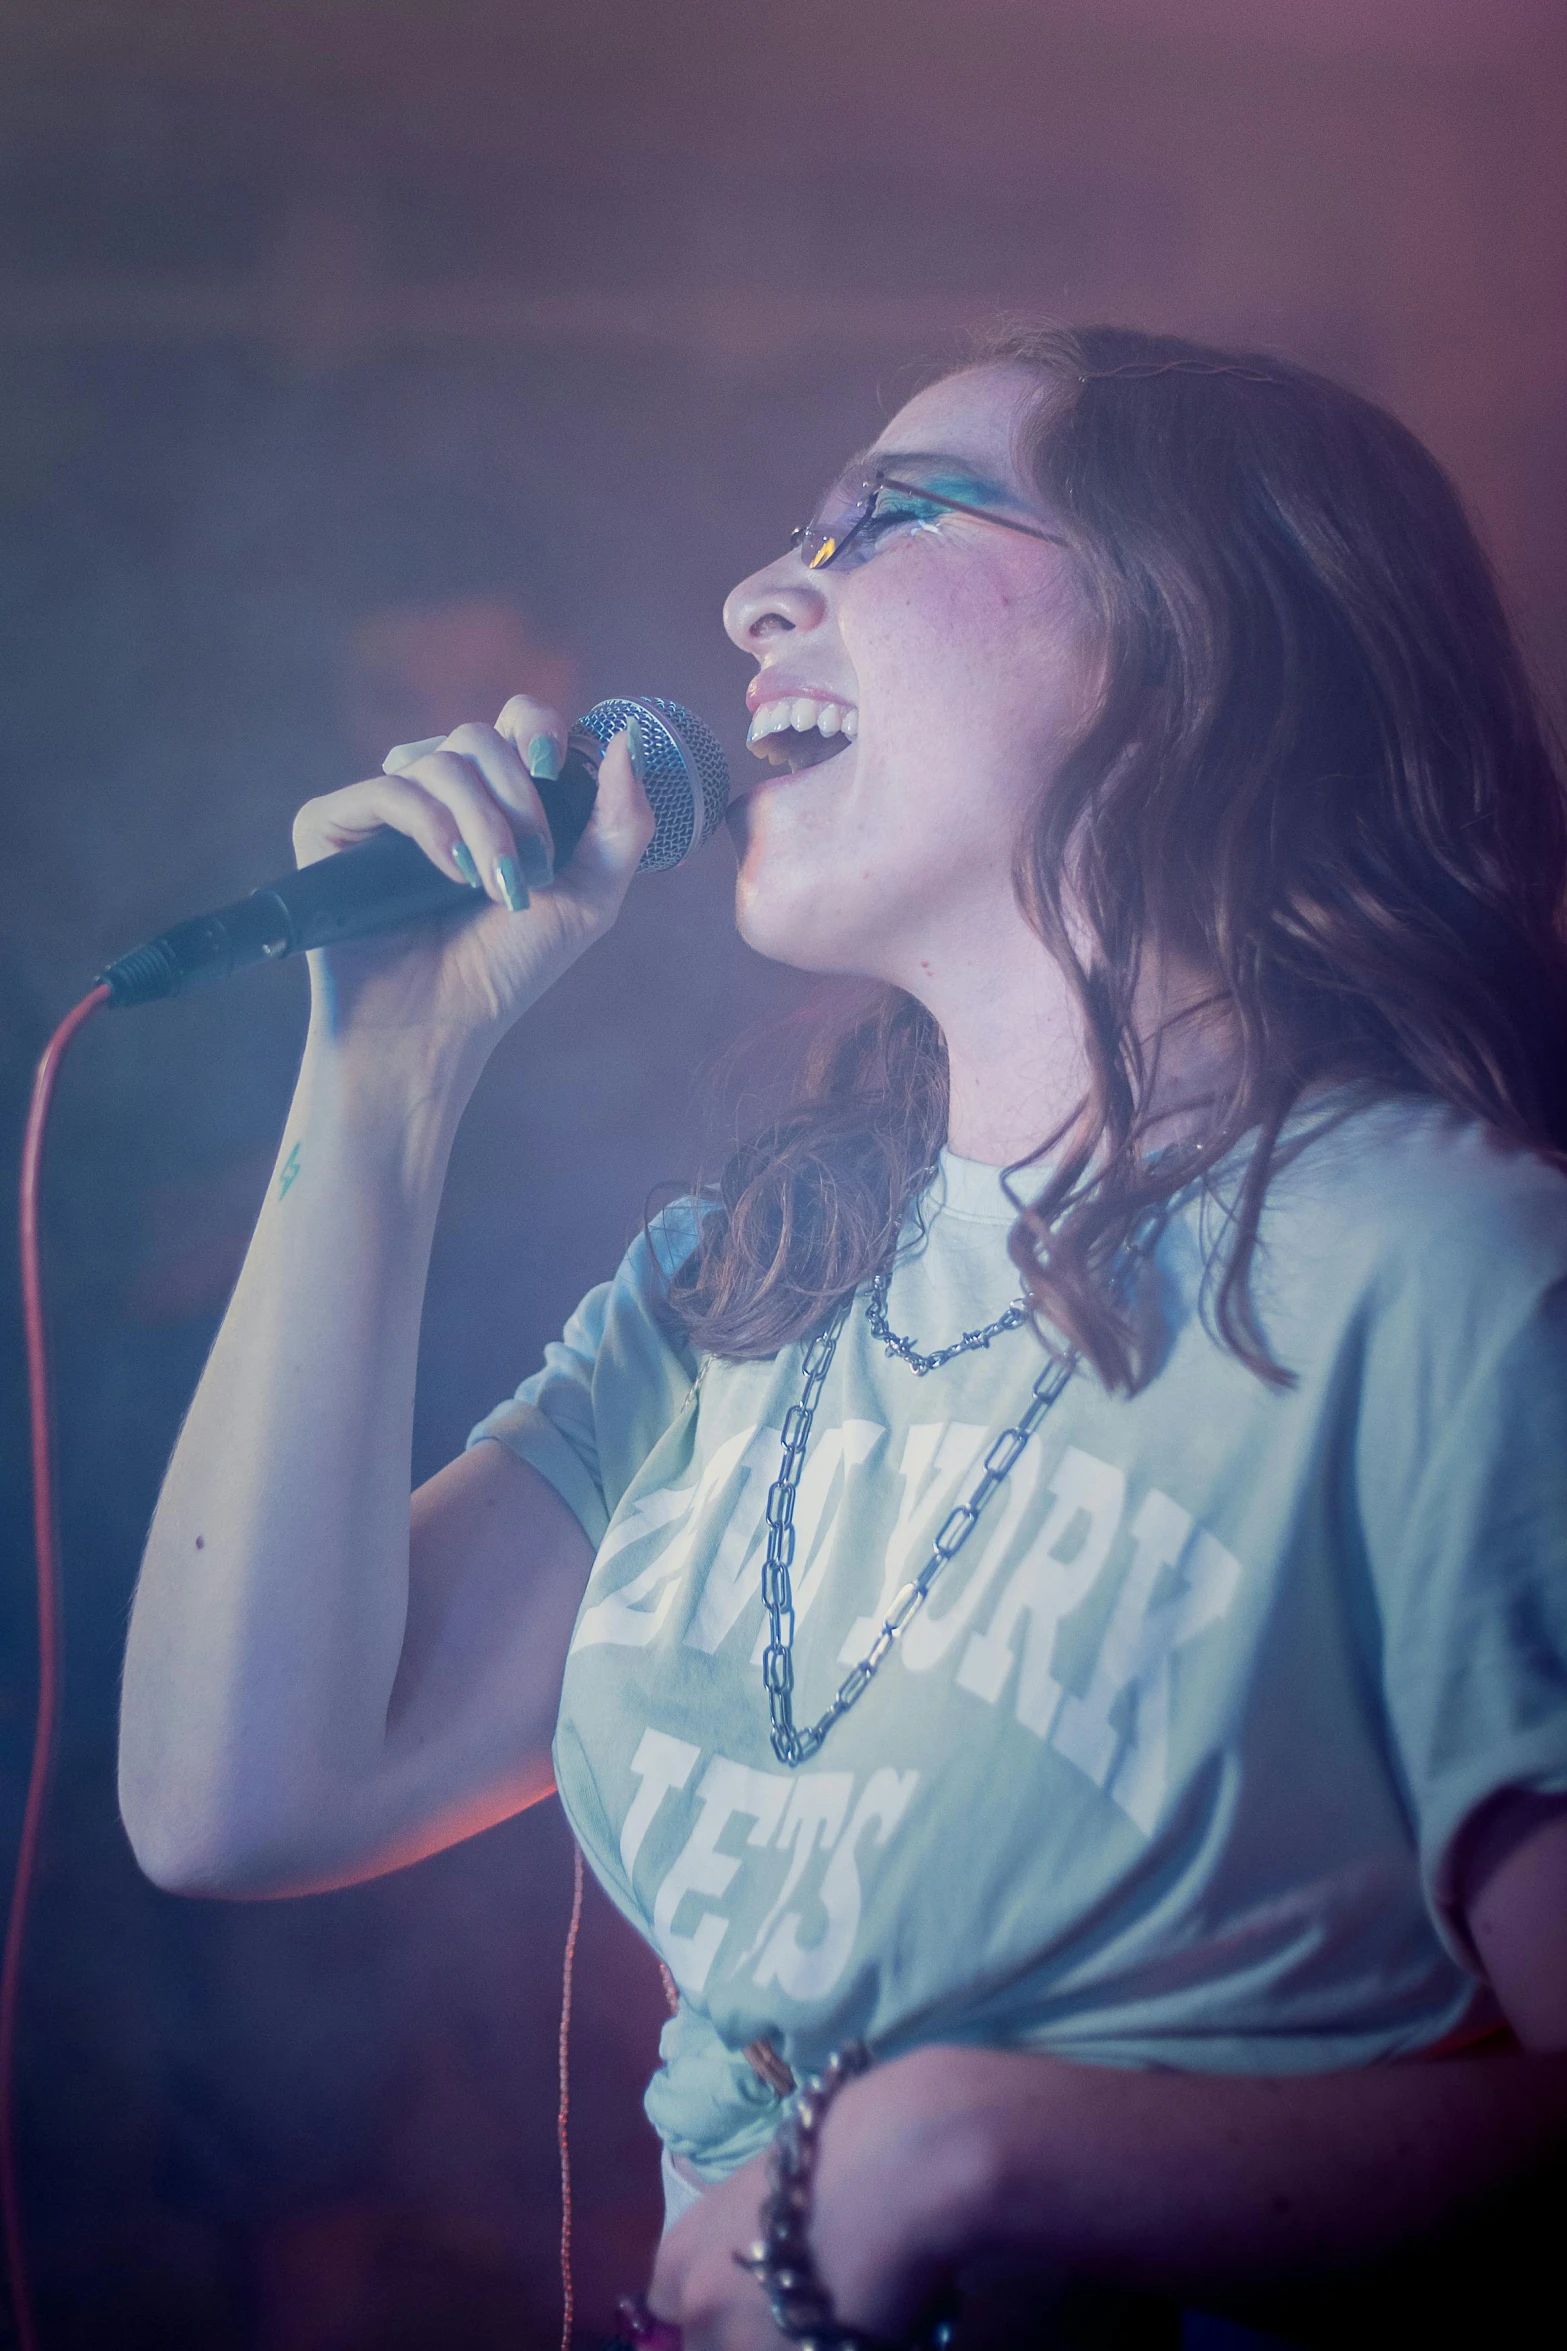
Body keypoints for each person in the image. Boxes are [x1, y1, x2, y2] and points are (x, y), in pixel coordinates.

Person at [118, 325, 1567, 2348]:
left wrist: (974, 2146)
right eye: (797, 527)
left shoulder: (1446, 1277)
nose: (753, 593)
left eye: (888, 518)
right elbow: (242, 1791)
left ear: (1191, 642)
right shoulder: (758, 1271)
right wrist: (383, 1077)